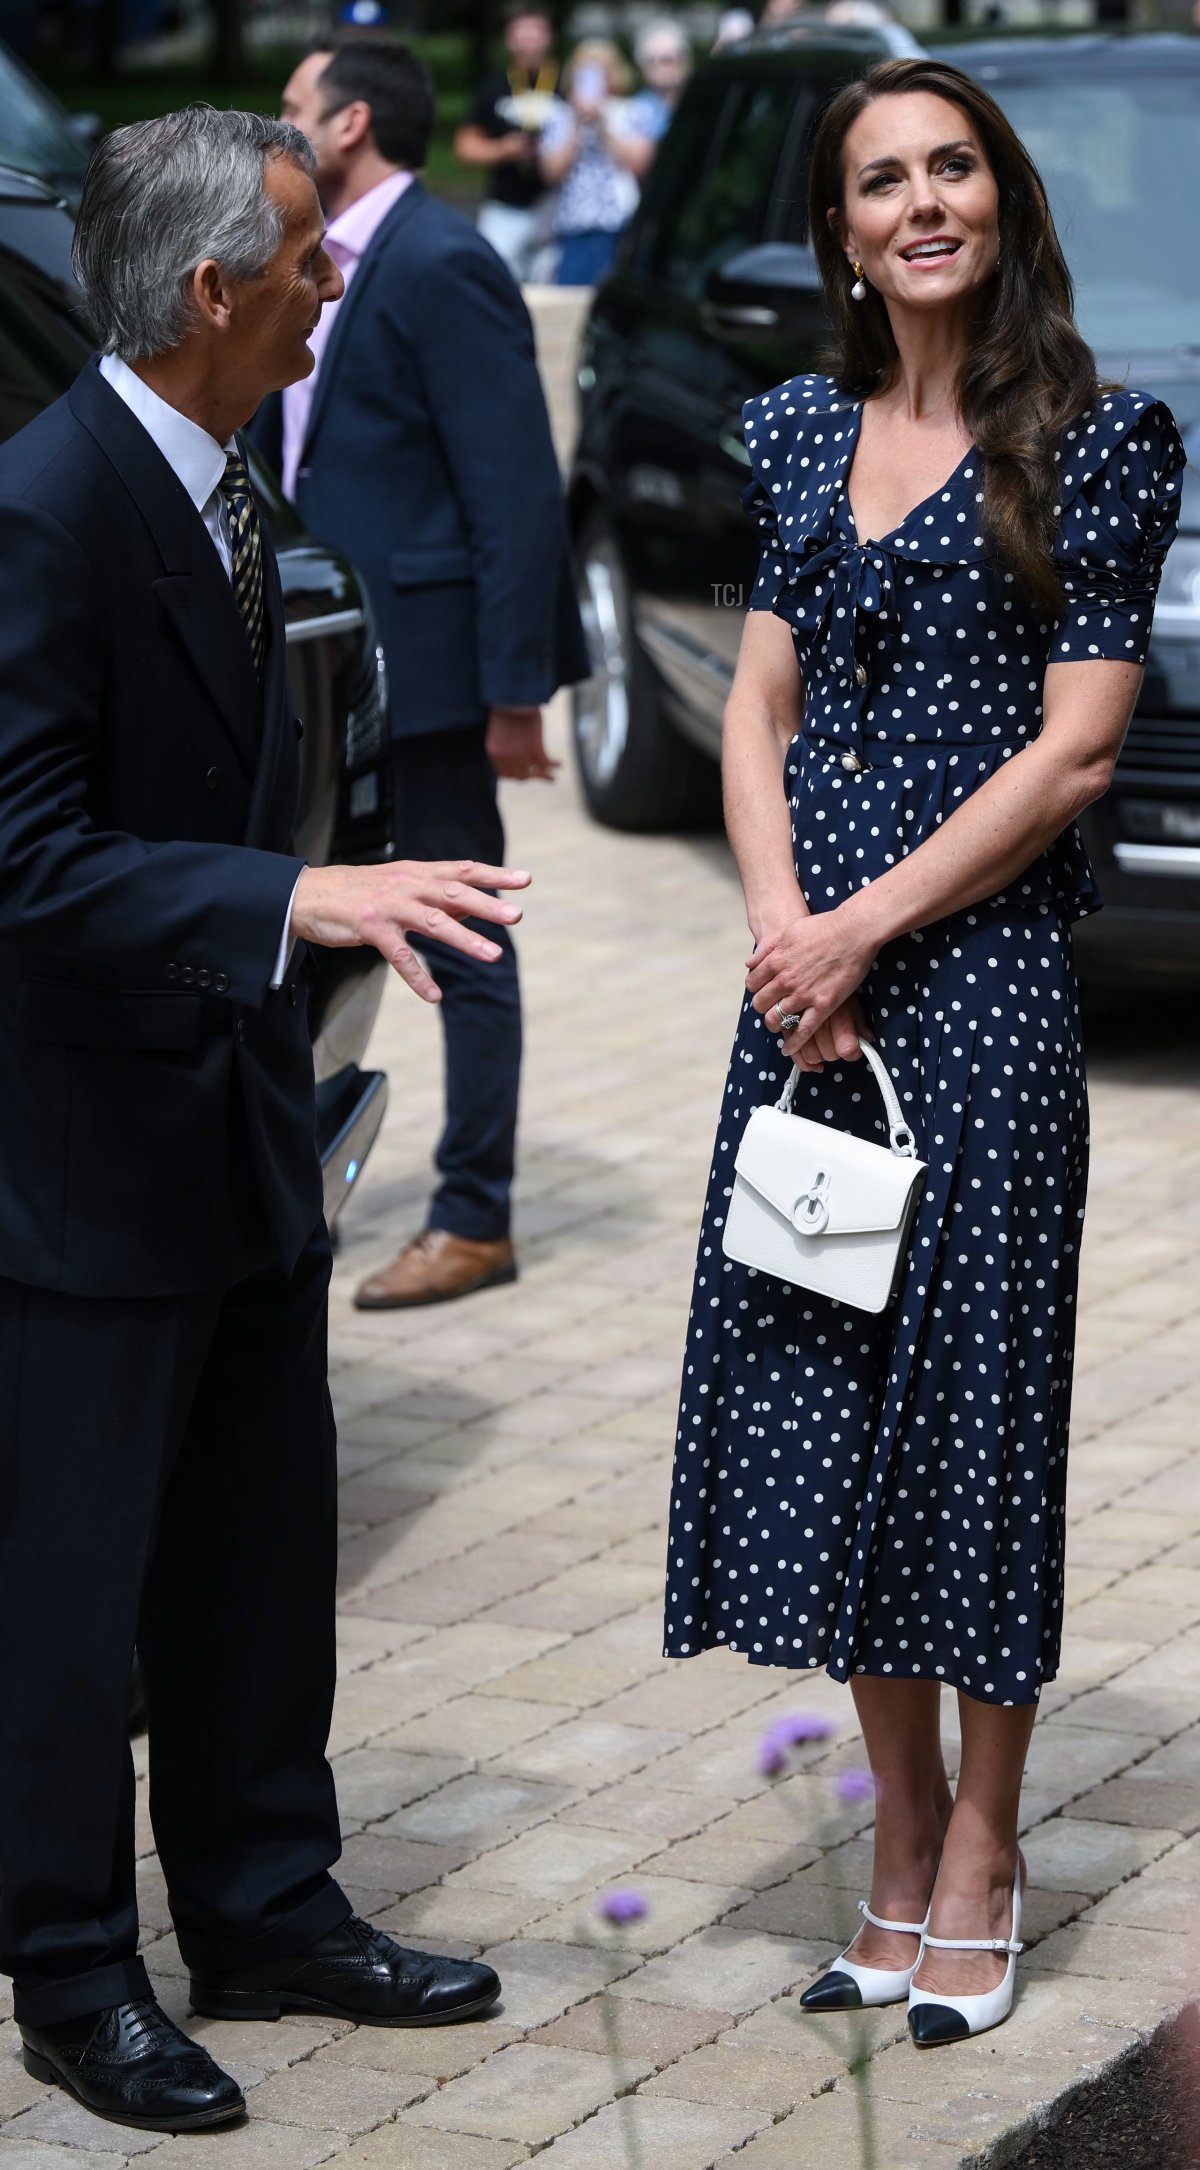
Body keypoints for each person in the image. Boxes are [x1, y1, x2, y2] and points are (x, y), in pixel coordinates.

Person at [0, 107, 521, 2135]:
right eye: (308, 257)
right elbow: (23, 855)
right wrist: (290, 901)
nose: (332, 283)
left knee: (256, 1545)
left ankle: (267, 1906)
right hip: (79, 1151)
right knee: (72, 1593)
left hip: (233, 1110)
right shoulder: (46, 506)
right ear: (214, 288)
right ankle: (71, 1967)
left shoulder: (225, 477)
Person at [664, 55, 1184, 2048]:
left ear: (1006, 197)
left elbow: (1077, 751)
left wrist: (864, 926)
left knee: (969, 1431)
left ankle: (982, 1850)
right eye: (883, 181)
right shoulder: (802, 428)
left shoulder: (1099, 436)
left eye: (953, 167)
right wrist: (784, 934)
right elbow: (756, 710)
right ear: (845, 233)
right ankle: (891, 1840)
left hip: (976, 996)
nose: (923, 203)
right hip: (810, 998)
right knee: (831, 1423)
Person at [264, 36, 588, 1311]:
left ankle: (473, 1215)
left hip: (435, 683)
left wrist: (515, 695)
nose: (277, 121)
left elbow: (515, 492)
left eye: (293, 103)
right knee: (312, 928)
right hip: (329, 668)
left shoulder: (443, 259)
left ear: (349, 123)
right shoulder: (319, 254)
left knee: (466, 943)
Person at [455, 3, 561, 285]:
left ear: (549, 36)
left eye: (535, 31)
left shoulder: (567, 83)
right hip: (505, 208)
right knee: (495, 283)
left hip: (557, 209)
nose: (528, 39)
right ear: (509, 38)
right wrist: (505, 149)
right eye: (521, 32)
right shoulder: (494, 85)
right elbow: (464, 147)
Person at [538, 39, 645, 288]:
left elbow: (638, 164)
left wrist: (603, 122)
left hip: (619, 222)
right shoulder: (560, 116)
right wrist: (576, 124)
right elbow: (551, 173)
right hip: (574, 224)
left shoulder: (631, 111)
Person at [610, 20, 693, 182]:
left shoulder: (701, 102)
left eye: (667, 59)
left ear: (685, 62)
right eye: (651, 61)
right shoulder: (634, 110)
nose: (659, 67)